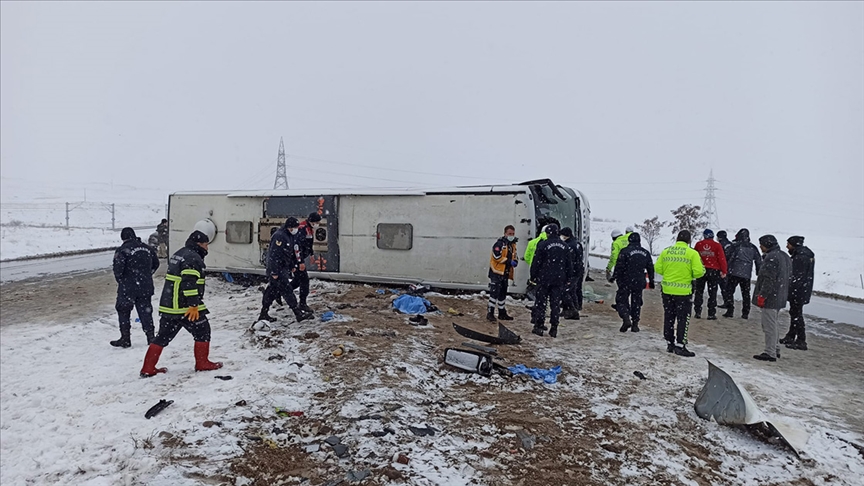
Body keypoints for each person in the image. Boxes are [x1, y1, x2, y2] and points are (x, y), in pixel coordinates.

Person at [140, 230, 222, 377]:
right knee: (203, 331)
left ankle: (148, 368)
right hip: (184, 306)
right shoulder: (193, 258)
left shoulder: (180, 253)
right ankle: (202, 363)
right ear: (199, 244)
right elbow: (189, 283)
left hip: (169, 305)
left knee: (162, 337)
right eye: (205, 244)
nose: (207, 248)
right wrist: (193, 305)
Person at [655, 230, 705, 357]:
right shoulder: (692, 253)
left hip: (667, 290)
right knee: (683, 318)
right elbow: (698, 272)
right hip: (683, 292)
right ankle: (680, 344)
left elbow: (658, 268)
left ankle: (669, 343)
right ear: (689, 241)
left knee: (669, 316)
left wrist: (670, 273)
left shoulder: (666, 251)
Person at [257, 217, 315, 323]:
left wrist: (292, 265)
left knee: (271, 291)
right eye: (295, 227)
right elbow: (274, 255)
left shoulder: (290, 236)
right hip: (277, 269)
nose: (296, 229)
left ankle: (263, 314)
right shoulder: (280, 236)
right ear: (289, 227)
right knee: (287, 290)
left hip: (282, 268)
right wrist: (274, 272)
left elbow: (289, 253)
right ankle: (298, 313)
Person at [111, 227, 160, 348]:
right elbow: (156, 263)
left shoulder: (123, 250)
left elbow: (118, 269)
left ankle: (125, 338)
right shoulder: (147, 248)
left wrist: (122, 280)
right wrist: (148, 275)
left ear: (123, 238)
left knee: (123, 310)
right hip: (145, 286)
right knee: (145, 312)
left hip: (128, 287)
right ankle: (150, 337)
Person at [752, 235, 792, 362]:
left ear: (767, 245)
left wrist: (762, 295)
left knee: (768, 326)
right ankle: (776, 349)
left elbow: (768, 279)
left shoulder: (771, 258)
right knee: (774, 324)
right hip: (780, 295)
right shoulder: (784, 256)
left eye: (761, 244)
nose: (760, 247)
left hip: (770, 297)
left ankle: (770, 352)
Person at [529, 224, 573, 338]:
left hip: (544, 279)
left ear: (548, 233)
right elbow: (569, 264)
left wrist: (533, 276)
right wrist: (568, 278)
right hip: (559, 279)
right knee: (555, 304)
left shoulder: (543, 245)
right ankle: (554, 327)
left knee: (541, 303)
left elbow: (536, 262)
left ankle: (539, 326)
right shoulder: (564, 246)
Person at [612, 232, 654, 333]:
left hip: (625, 280)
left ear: (629, 240)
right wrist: (651, 281)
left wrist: (614, 276)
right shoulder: (645, 253)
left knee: (621, 300)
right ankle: (635, 324)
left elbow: (619, 267)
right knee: (636, 302)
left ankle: (626, 318)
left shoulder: (625, 251)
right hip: (639, 281)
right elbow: (650, 268)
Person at [780, 236, 815, 351]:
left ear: (794, 245)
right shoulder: (804, 255)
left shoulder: (801, 257)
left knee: (796, 314)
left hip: (798, 290)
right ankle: (791, 336)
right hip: (802, 289)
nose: (787, 246)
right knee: (795, 313)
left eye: (788, 244)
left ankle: (801, 340)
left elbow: (797, 277)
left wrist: (790, 288)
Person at [723, 228, 762, 319]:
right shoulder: (753, 247)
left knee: (729, 292)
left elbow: (728, 257)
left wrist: (726, 269)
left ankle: (730, 310)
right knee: (746, 294)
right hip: (746, 274)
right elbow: (758, 260)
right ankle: (745, 313)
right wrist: (758, 272)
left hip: (734, 272)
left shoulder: (735, 246)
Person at [290, 212, 323, 313]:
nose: (317, 224)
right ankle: (302, 303)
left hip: (300, 258)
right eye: (316, 222)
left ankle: (279, 291)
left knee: (297, 280)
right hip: (296, 259)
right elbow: (297, 246)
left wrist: (311, 254)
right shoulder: (302, 229)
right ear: (311, 221)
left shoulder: (309, 229)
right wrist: (300, 262)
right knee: (304, 281)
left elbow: (309, 243)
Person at [692, 229, 728, 320]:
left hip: (701, 270)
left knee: (699, 291)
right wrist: (724, 271)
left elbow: (694, 257)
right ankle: (711, 313)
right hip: (713, 271)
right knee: (712, 292)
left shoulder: (699, 244)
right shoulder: (717, 245)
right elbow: (721, 259)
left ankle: (697, 311)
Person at [487, 225, 518, 322]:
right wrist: (509, 261)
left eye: (513, 234)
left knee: (503, 294)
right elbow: (497, 257)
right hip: (496, 272)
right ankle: (490, 313)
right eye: (509, 234)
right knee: (494, 293)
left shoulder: (512, 245)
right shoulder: (499, 244)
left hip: (505, 272)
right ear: (505, 234)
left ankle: (502, 312)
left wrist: (515, 261)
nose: (511, 235)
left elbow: (515, 256)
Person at [559, 227, 584, 320]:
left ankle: (573, 310)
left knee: (566, 291)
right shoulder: (577, 243)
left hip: (572, 272)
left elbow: (569, 261)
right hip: (578, 271)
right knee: (573, 290)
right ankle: (570, 309)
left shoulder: (569, 246)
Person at [716, 230, 734, 308]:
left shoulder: (720, 245)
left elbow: (721, 257)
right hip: (731, 268)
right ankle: (729, 302)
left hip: (723, 268)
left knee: (723, 286)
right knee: (728, 287)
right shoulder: (731, 244)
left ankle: (727, 302)